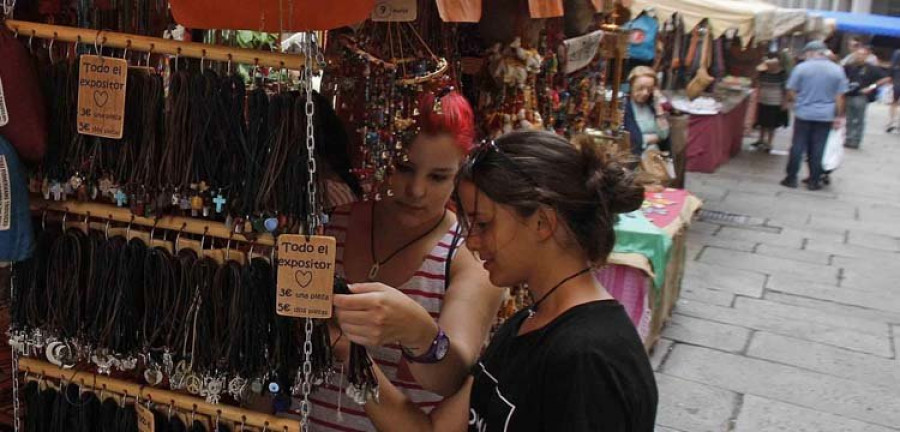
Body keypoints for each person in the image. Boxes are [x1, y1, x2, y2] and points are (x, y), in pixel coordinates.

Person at [344, 131, 659, 431]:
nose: (473, 241)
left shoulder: (589, 359)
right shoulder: (527, 324)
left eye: (483, 223)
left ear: (542, 223)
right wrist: (346, 351)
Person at [310, 91, 504, 431]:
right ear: (382, 156)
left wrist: (420, 334)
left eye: (438, 176)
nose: (416, 190)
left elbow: (453, 377)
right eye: (405, 168)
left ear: (460, 174)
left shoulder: (466, 256)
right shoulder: (327, 225)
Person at [782, 41, 849, 191]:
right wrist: (838, 115)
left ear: (811, 53)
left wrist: (799, 100)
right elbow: (840, 96)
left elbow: (791, 89)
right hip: (825, 115)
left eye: (806, 53)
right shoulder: (837, 70)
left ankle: (791, 177)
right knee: (818, 147)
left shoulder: (801, 68)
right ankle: (814, 180)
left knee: (798, 145)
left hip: (804, 112)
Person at [843, 45, 891, 149]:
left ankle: (856, 139)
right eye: (858, 54)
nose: (860, 57)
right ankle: (848, 138)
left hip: (861, 96)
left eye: (863, 55)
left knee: (858, 118)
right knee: (849, 118)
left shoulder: (872, 68)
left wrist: (872, 87)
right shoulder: (849, 66)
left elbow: (886, 78)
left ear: (867, 56)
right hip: (849, 95)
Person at [624, 66, 670, 157]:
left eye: (649, 89)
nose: (645, 93)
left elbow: (664, 135)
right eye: (640, 88)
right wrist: (653, 138)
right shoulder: (625, 107)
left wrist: (658, 105)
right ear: (631, 86)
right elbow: (632, 139)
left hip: (654, 159)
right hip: (636, 158)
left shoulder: (651, 107)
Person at [753, 56, 790, 152]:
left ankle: (769, 142)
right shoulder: (763, 73)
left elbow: (786, 90)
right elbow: (757, 83)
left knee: (772, 124)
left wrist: (784, 102)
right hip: (762, 100)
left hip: (775, 102)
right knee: (761, 122)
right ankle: (760, 140)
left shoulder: (782, 74)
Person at [887, 49, 900, 133]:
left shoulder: (897, 52)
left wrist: (890, 77)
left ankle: (892, 122)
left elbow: (892, 66)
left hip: (897, 80)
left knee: (894, 102)